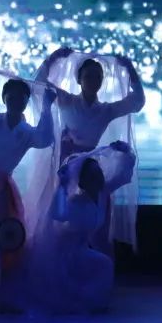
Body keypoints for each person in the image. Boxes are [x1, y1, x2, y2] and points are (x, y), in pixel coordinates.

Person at [33, 48, 146, 253]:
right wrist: (54, 57)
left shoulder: (105, 110)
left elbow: (137, 102)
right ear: (79, 80)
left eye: (97, 77)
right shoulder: (67, 100)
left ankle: (91, 252)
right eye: (88, 76)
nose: (93, 81)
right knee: (62, 211)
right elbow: (38, 84)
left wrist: (130, 68)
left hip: (89, 164)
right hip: (67, 164)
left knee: (97, 209)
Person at [0, 70, 56, 308]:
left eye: (21, 98)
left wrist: (47, 106)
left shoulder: (26, 132)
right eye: (11, 97)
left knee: (4, 236)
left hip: (2, 188)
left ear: (26, 102)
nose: (16, 101)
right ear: (4, 98)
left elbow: (45, 138)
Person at [28, 142, 138, 314]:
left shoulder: (102, 194)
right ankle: (79, 301)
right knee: (100, 266)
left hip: (80, 250)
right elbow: (57, 214)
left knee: (104, 264)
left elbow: (122, 175)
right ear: (83, 180)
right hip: (63, 254)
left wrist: (124, 152)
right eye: (92, 175)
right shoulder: (76, 202)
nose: (97, 177)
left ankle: (93, 302)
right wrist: (62, 186)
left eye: (98, 173)